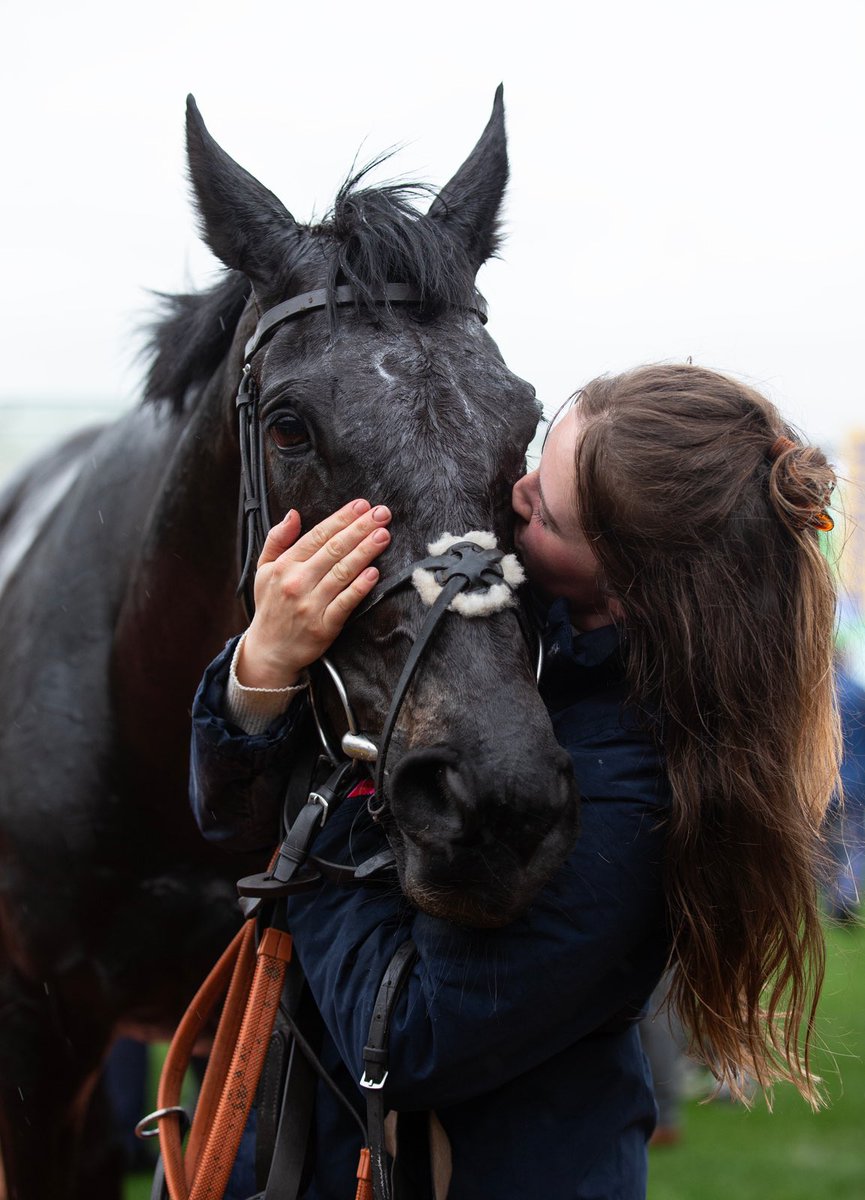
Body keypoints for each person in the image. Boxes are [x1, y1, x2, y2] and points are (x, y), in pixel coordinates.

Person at [190, 363, 840, 1199]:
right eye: (533, 461)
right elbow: (220, 815)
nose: (514, 496)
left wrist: (332, 792)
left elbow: (410, 1042)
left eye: (546, 513)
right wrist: (263, 663)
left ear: (633, 590)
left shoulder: (635, 789)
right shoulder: (503, 624)